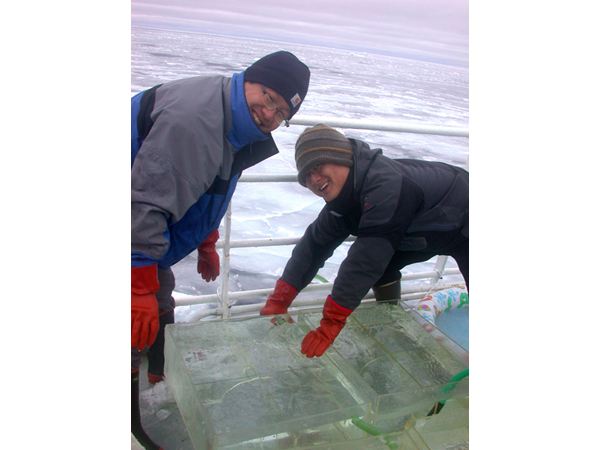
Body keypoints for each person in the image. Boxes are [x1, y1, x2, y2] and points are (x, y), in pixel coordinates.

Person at [131, 51, 310, 449]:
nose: (269, 115)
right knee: (138, 313)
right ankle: (131, 413)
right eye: (267, 98)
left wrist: (207, 241)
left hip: (144, 233)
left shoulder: (234, 121)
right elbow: (142, 203)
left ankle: (159, 375)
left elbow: (205, 184)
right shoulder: (196, 121)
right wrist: (136, 287)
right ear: (251, 78)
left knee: (162, 302)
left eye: (281, 112)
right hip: (131, 229)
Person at [260, 124, 468, 359]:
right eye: (306, 176)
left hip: (465, 217)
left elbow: (365, 259)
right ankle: (391, 319)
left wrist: (332, 322)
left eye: (317, 166)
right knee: (382, 269)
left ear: (339, 156)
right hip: (422, 233)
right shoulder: (344, 197)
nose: (315, 179)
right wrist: (280, 299)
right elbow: (314, 246)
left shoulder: (384, 185)